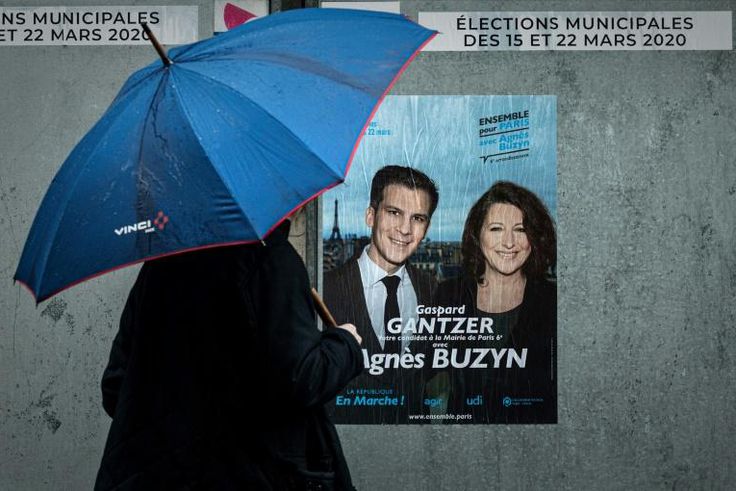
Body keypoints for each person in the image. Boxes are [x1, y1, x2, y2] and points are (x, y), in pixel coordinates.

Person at [95, 212, 364, 490]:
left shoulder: (161, 264)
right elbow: (303, 378)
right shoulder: (270, 261)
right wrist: (345, 343)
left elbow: (116, 387)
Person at [324, 165, 439, 424]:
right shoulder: (327, 289)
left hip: (415, 442)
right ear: (370, 216)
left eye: (418, 218)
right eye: (394, 213)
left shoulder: (434, 292)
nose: (405, 229)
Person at [435, 181, 557, 424]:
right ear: (477, 235)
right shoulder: (449, 295)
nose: (509, 242)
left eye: (521, 230)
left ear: (534, 237)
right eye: (496, 229)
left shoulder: (553, 302)